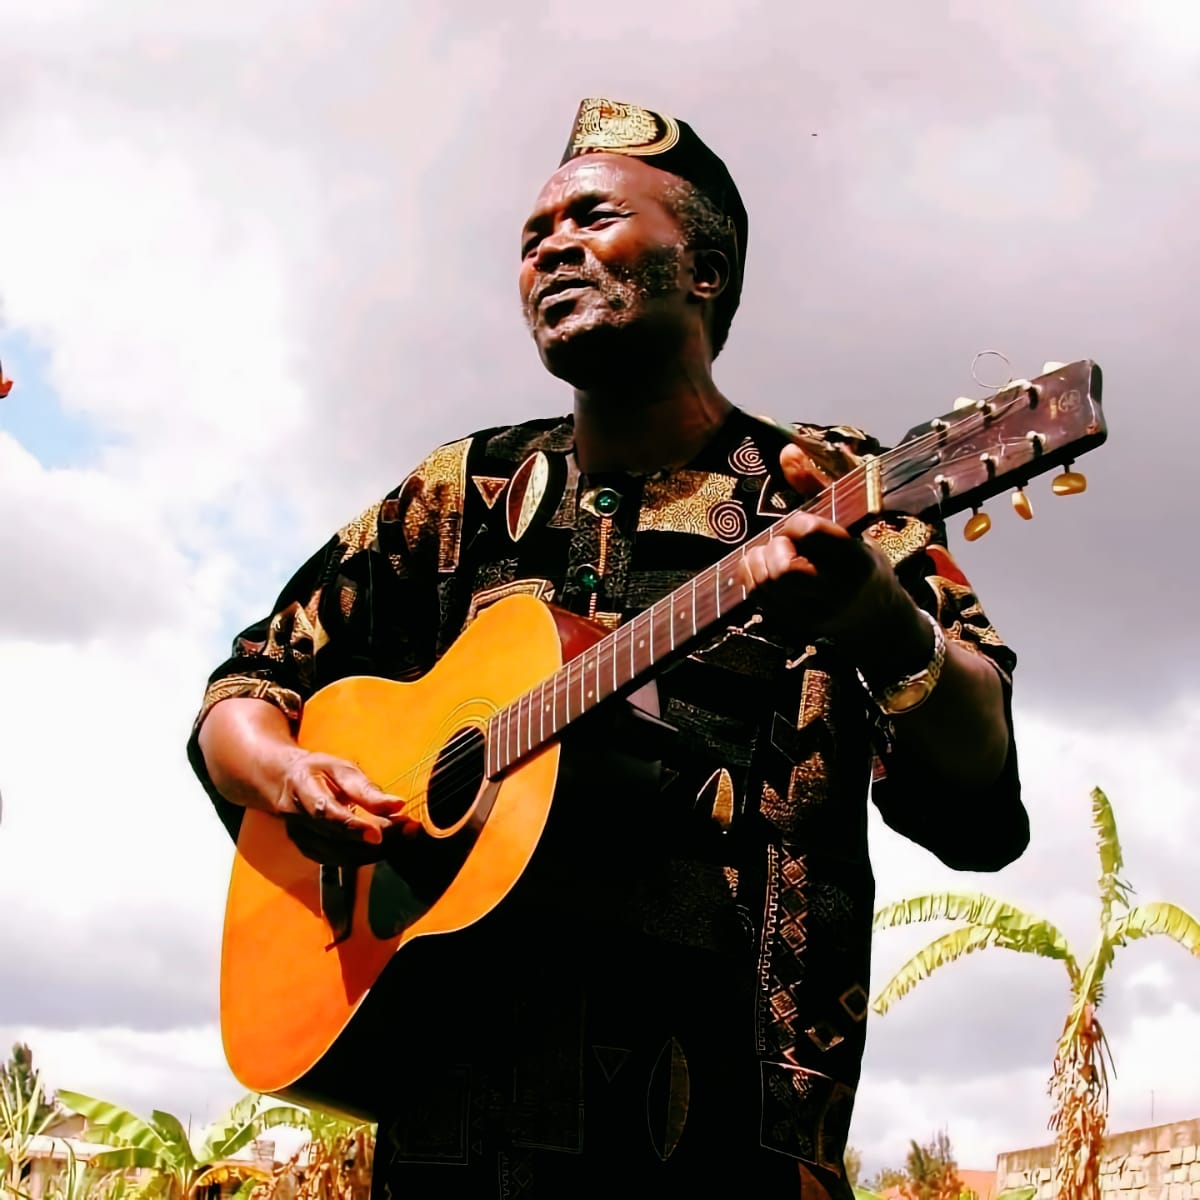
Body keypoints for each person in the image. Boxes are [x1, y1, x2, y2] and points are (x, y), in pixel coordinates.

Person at [189, 97, 1028, 1199]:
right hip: (451, 1135)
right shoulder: (460, 494)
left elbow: (984, 803)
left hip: (727, 1141)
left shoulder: (836, 490)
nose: (550, 249)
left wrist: (875, 616)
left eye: (590, 218)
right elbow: (243, 693)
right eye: (532, 237)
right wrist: (290, 772)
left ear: (706, 271)